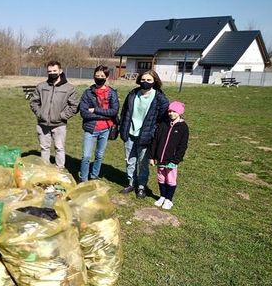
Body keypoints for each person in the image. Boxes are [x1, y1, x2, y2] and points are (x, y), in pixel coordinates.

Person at [119, 70, 169, 198]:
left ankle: (141, 186)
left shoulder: (160, 98)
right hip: (130, 132)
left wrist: (153, 132)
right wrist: (122, 127)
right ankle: (131, 183)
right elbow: (125, 112)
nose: (145, 82)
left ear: (154, 82)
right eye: (143, 80)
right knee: (130, 161)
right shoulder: (133, 94)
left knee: (143, 163)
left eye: (149, 80)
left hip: (146, 135)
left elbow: (163, 119)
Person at [29, 61, 79, 168]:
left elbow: (74, 106)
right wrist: (40, 113)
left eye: (54, 71)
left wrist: (62, 116)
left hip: (59, 125)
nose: (52, 73)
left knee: (59, 148)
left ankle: (59, 170)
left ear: (60, 71)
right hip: (42, 124)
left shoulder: (69, 88)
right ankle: (45, 170)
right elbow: (34, 102)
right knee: (44, 148)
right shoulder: (41, 86)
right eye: (49, 71)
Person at [78, 65, 119, 182]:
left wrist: (95, 110)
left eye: (102, 76)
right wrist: (105, 115)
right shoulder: (87, 93)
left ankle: (94, 175)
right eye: (97, 76)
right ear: (94, 77)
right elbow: (84, 113)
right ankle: (83, 179)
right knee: (86, 156)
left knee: (99, 155)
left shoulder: (112, 93)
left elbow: (114, 111)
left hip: (105, 129)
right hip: (90, 129)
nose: (99, 78)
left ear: (106, 77)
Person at [149, 101, 189, 210]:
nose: (171, 113)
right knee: (161, 179)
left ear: (179, 112)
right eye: (170, 111)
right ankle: (162, 196)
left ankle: (169, 199)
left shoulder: (183, 127)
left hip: (171, 161)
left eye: (174, 111)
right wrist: (152, 157)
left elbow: (182, 146)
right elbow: (155, 141)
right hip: (160, 159)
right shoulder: (163, 125)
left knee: (170, 180)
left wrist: (176, 160)